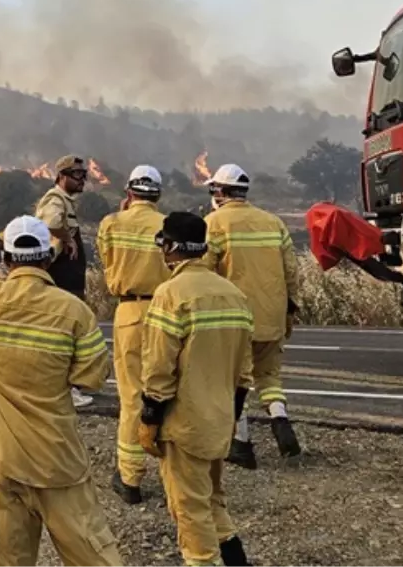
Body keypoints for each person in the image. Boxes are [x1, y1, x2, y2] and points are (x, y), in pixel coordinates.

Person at [0, 215, 123, 567]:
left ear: (7, 259)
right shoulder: (74, 312)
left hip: (0, 460)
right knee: (93, 555)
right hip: (55, 461)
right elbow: (90, 378)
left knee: (7, 560)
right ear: (48, 259)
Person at [139, 211, 255, 567]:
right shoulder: (233, 294)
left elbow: (159, 368)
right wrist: (232, 417)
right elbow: (245, 372)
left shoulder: (171, 294)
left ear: (171, 247)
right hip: (220, 420)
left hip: (184, 424)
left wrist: (149, 419)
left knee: (189, 509)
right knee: (213, 500)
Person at [203, 164, 302, 470]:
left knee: (234, 381)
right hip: (272, 316)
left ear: (221, 192)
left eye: (213, 190)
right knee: (268, 376)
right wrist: (290, 308)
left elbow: (202, 271)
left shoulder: (214, 223)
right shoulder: (273, 223)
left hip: (234, 319)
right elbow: (291, 272)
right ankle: (280, 420)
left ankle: (241, 444)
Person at [96, 165, 169, 504]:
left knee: (131, 397)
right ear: (158, 195)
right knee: (169, 393)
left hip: (129, 312)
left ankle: (130, 479)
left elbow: (107, 263)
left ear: (129, 193)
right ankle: (176, 476)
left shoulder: (111, 224)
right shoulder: (169, 225)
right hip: (169, 311)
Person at [34, 154, 93, 409]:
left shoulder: (65, 200)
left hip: (68, 277)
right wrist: (67, 240)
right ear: (62, 176)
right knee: (62, 333)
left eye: (84, 175)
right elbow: (52, 222)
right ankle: (63, 389)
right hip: (60, 277)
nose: (83, 180)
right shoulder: (55, 199)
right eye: (77, 175)